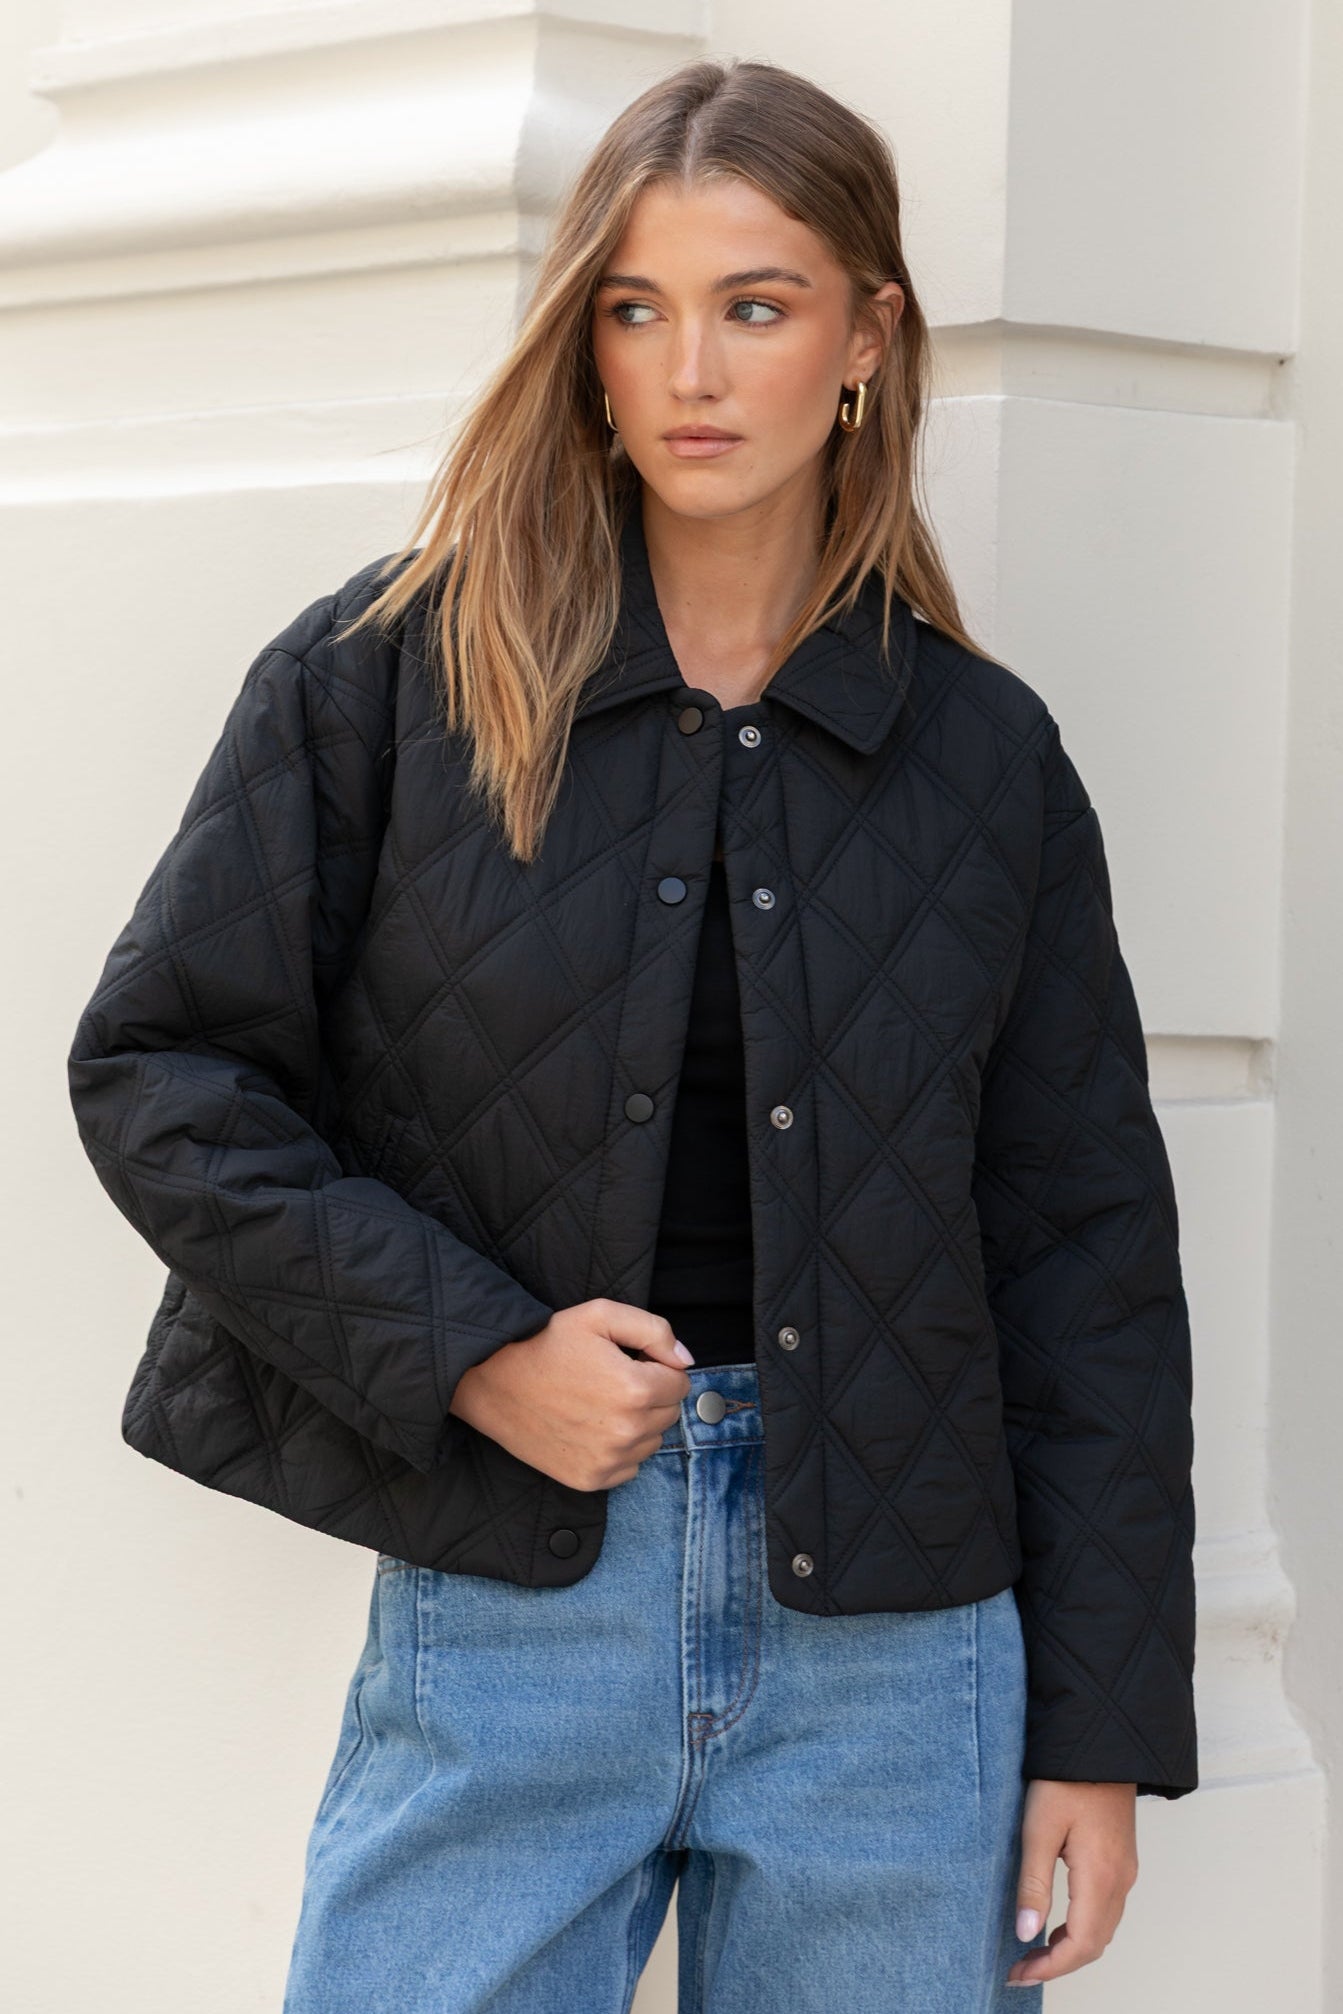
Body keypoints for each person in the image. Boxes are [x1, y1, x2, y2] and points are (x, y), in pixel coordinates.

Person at [66, 55, 1197, 2014]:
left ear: (866, 337)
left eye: (755, 306)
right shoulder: (392, 679)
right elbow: (164, 1074)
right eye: (634, 307)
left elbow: (1083, 1250)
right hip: (519, 1597)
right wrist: (480, 1353)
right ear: (582, 341)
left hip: (902, 1660)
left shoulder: (982, 758)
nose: (691, 370)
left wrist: (1097, 1735)